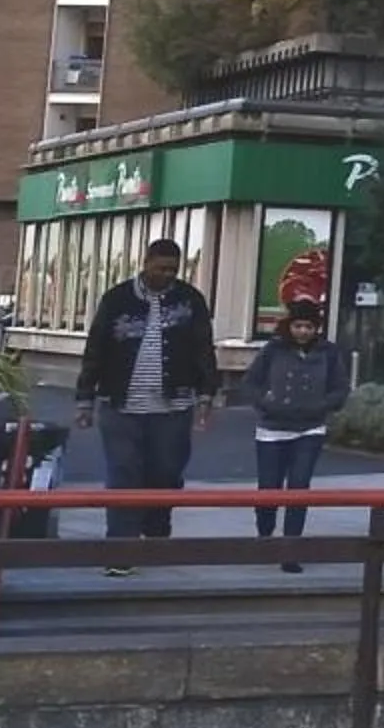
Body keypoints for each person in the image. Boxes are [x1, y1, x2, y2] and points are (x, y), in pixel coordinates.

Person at [72, 237, 220, 575]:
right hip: (121, 404)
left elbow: (203, 349)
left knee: (165, 474)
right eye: (161, 268)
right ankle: (120, 551)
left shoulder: (190, 300)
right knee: (124, 476)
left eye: (173, 269)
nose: (166, 275)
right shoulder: (117, 299)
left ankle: (155, 539)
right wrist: (85, 399)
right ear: (146, 263)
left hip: (173, 405)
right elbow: (96, 348)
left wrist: (207, 395)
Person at [237, 298, 351, 572]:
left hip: (309, 429)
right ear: (290, 326)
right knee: (269, 489)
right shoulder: (273, 350)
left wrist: (322, 406)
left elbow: (340, 388)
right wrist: (266, 403)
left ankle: (291, 550)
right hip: (272, 429)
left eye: (309, 327)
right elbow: (250, 383)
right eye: (298, 326)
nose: (303, 332)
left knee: (299, 489)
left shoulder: (329, 353)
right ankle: (265, 538)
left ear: (317, 328)